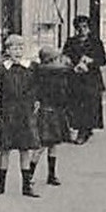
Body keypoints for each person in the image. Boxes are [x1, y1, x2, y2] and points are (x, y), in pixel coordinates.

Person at [0, 34, 42, 196]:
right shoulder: (3, 67)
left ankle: (27, 186)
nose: (18, 51)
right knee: (4, 149)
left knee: (24, 149)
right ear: (7, 50)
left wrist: (37, 100)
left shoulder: (32, 67)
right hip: (8, 114)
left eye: (20, 47)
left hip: (25, 114)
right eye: (14, 48)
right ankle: (0, 185)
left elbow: (44, 81)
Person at [62, 15, 106, 143]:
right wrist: (71, 64)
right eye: (79, 27)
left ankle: (85, 131)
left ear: (89, 28)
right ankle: (80, 128)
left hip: (91, 79)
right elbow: (65, 56)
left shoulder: (96, 42)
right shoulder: (71, 41)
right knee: (76, 104)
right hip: (75, 77)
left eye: (85, 27)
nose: (82, 30)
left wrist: (91, 61)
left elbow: (102, 60)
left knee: (89, 104)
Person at [33, 47, 74, 186]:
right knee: (43, 145)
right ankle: (30, 175)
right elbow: (62, 69)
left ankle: (51, 175)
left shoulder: (51, 71)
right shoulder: (47, 71)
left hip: (55, 110)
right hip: (48, 110)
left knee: (53, 144)